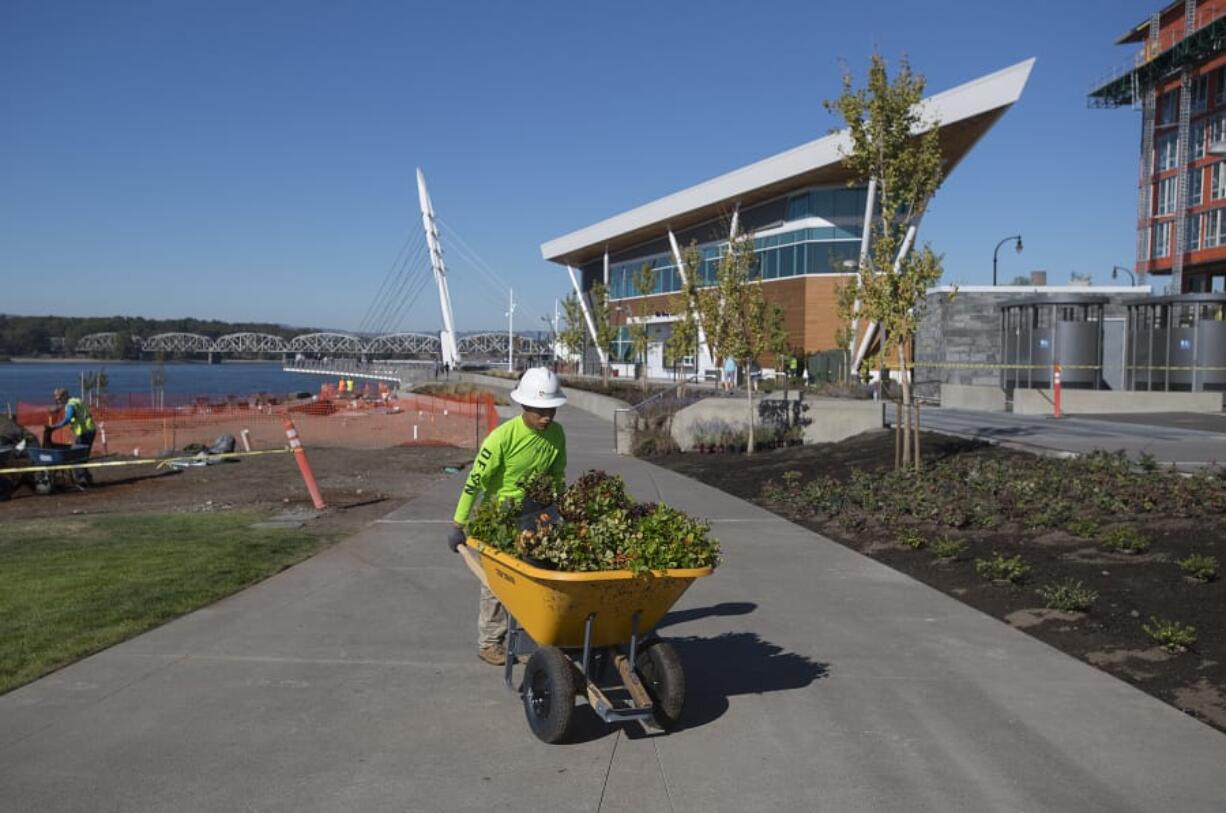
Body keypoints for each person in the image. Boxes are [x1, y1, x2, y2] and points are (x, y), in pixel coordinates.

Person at [446, 367, 568, 666]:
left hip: (537, 514)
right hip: (499, 515)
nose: (546, 417)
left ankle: (529, 638)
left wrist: (559, 508)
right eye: (540, 410)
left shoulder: (556, 434)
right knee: (496, 583)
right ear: (524, 405)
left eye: (551, 409)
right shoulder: (501, 438)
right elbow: (474, 481)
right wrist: (458, 523)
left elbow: (557, 473)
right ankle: (490, 642)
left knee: (534, 579)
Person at [47, 388, 96, 485]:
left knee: (77, 457)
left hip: (84, 432)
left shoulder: (70, 405)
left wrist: (54, 427)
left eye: (59, 399)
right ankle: (87, 478)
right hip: (90, 430)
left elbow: (68, 418)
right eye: (57, 399)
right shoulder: (76, 400)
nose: (58, 401)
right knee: (83, 456)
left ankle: (82, 480)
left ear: (65, 396)